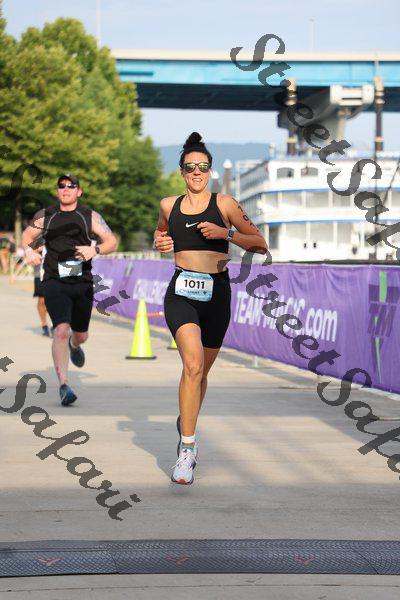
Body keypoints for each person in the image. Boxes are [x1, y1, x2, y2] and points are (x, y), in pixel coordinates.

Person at [154, 132, 268, 485]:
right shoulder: (168, 205)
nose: (197, 172)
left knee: (201, 373)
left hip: (217, 293)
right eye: (190, 167)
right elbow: (160, 234)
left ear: (210, 171)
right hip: (181, 292)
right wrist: (160, 242)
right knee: (192, 365)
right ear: (181, 172)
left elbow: (260, 244)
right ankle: (187, 449)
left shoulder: (226, 204)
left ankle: (186, 421)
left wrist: (226, 234)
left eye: (203, 167)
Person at [22, 174, 117, 406]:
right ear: (57, 191)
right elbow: (27, 236)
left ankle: (75, 345)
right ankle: (64, 385)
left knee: (80, 335)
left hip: (82, 282)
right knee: (61, 330)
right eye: (62, 186)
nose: (66, 189)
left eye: (71, 186)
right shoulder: (46, 215)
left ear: (79, 191)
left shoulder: (89, 216)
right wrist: (29, 250)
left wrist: (95, 250)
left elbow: (111, 241)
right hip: (54, 280)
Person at [32, 244, 51, 337]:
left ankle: (59, 324)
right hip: (41, 272)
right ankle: (44, 325)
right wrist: (37, 249)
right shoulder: (40, 238)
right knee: (42, 301)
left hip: (59, 271)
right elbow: (30, 249)